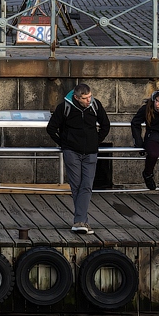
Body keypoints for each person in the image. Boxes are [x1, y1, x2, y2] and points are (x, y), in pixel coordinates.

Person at [45, 83, 111, 235]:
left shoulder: (95, 105)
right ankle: (82, 221)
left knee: (86, 185)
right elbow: (51, 128)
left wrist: (96, 141)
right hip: (72, 152)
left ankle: (80, 221)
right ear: (76, 97)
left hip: (91, 152)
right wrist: (64, 144)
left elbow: (105, 125)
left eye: (90, 97)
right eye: (85, 98)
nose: (89, 100)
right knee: (77, 186)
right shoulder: (64, 107)